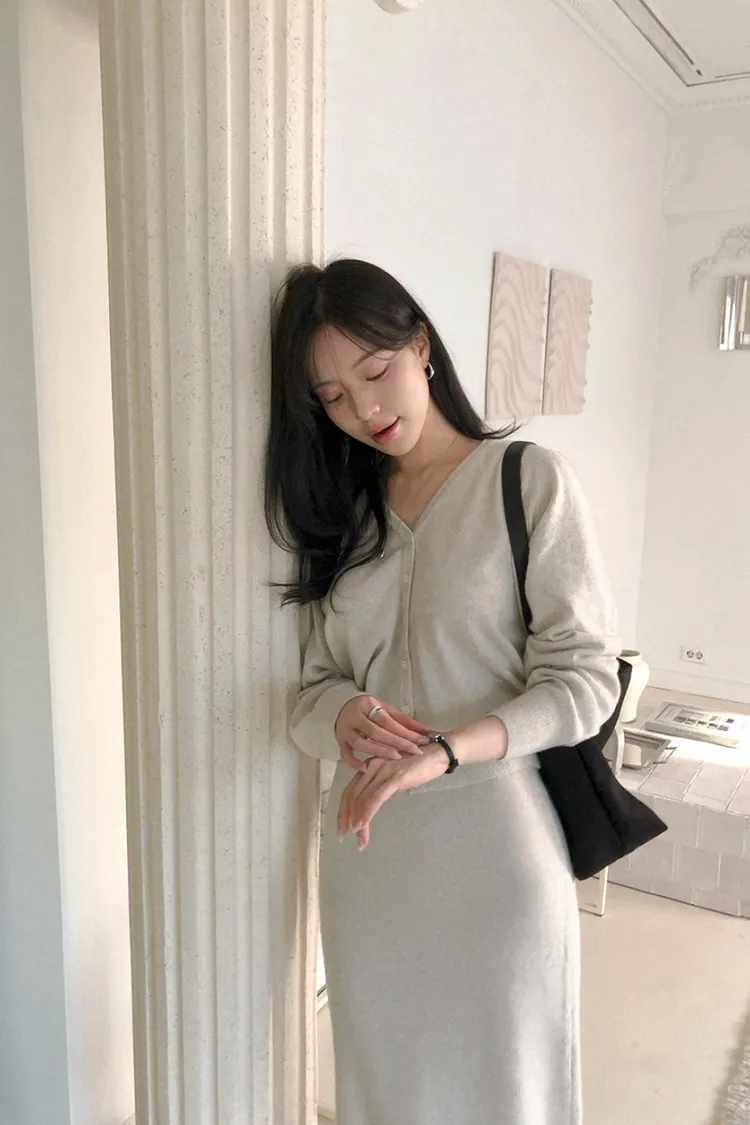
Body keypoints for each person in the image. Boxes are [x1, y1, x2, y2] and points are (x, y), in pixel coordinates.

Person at [264, 258, 620, 1125]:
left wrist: (448, 750)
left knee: (510, 1093)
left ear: (420, 345)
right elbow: (307, 693)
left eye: (374, 372)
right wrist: (344, 712)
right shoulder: (342, 517)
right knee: (388, 1094)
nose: (364, 410)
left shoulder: (527, 479)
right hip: (370, 861)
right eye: (332, 397)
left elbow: (584, 679)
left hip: (498, 853)